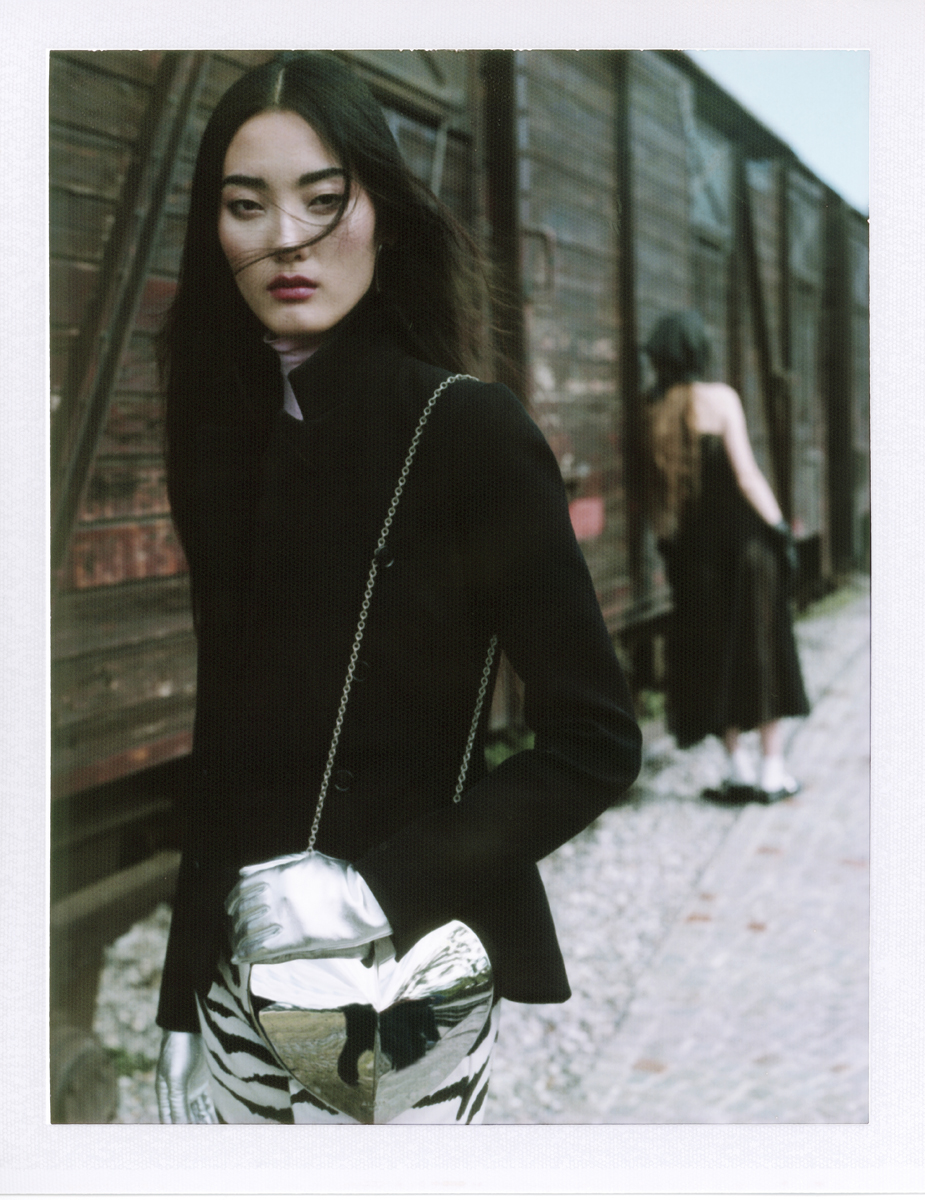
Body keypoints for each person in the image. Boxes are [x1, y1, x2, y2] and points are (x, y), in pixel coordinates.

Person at [154, 51, 641, 1125]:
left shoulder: (468, 431)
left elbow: (597, 741)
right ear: (213, 229)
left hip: (403, 977)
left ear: (382, 213)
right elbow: (223, 725)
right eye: (247, 205)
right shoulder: (217, 432)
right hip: (239, 985)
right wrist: (181, 998)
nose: (286, 238)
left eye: (324, 200)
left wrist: (367, 888)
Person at [641, 310, 809, 803]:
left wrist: (669, 546)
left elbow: (657, 500)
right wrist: (780, 529)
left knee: (710, 655)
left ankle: (737, 769)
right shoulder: (721, 398)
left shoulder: (653, 410)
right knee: (763, 649)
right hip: (745, 549)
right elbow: (747, 476)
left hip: (693, 556)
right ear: (699, 351)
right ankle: (773, 771)